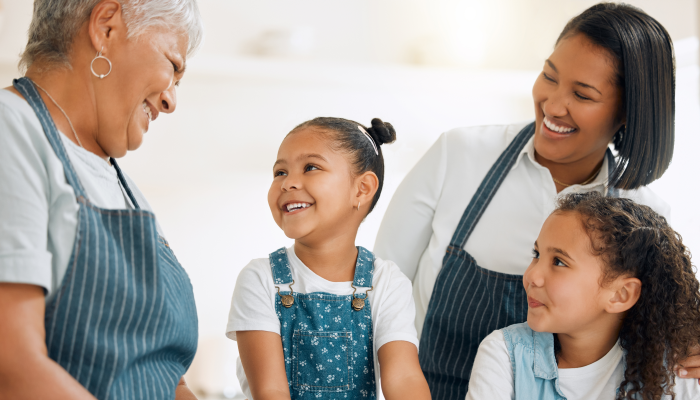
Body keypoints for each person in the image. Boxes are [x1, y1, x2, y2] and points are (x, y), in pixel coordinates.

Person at [372, 3, 693, 399]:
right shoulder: (459, 155)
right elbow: (379, 291)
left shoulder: (643, 215)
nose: (553, 105)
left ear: (628, 112)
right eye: (549, 76)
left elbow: (654, 335)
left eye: (582, 94)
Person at [0, 1, 203, 399]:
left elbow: (166, 377)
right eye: (173, 67)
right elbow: (13, 367)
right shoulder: (11, 129)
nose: (170, 101)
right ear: (106, 27)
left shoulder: (123, 187)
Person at [226, 118, 430, 400]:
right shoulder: (261, 279)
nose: (288, 183)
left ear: (362, 189)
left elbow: (404, 378)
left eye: (310, 167)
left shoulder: (386, 282)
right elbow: (270, 391)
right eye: (280, 172)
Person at [466, 192, 700, 400]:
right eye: (536, 254)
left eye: (559, 262)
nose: (531, 275)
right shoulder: (504, 356)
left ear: (620, 295)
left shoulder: (674, 371)